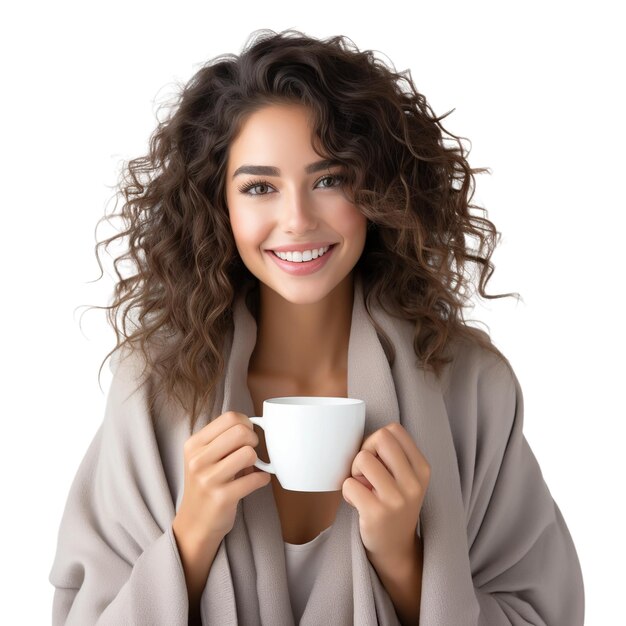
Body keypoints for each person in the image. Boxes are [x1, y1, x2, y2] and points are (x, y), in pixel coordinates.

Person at [49, 28, 585, 625]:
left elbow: (542, 613)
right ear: (217, 206)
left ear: (378, 189)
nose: (297, 220)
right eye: (259, 187)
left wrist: (405, 559)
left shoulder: (471, 386)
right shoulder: (151, 387)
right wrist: (192, 537)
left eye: (328, 179)